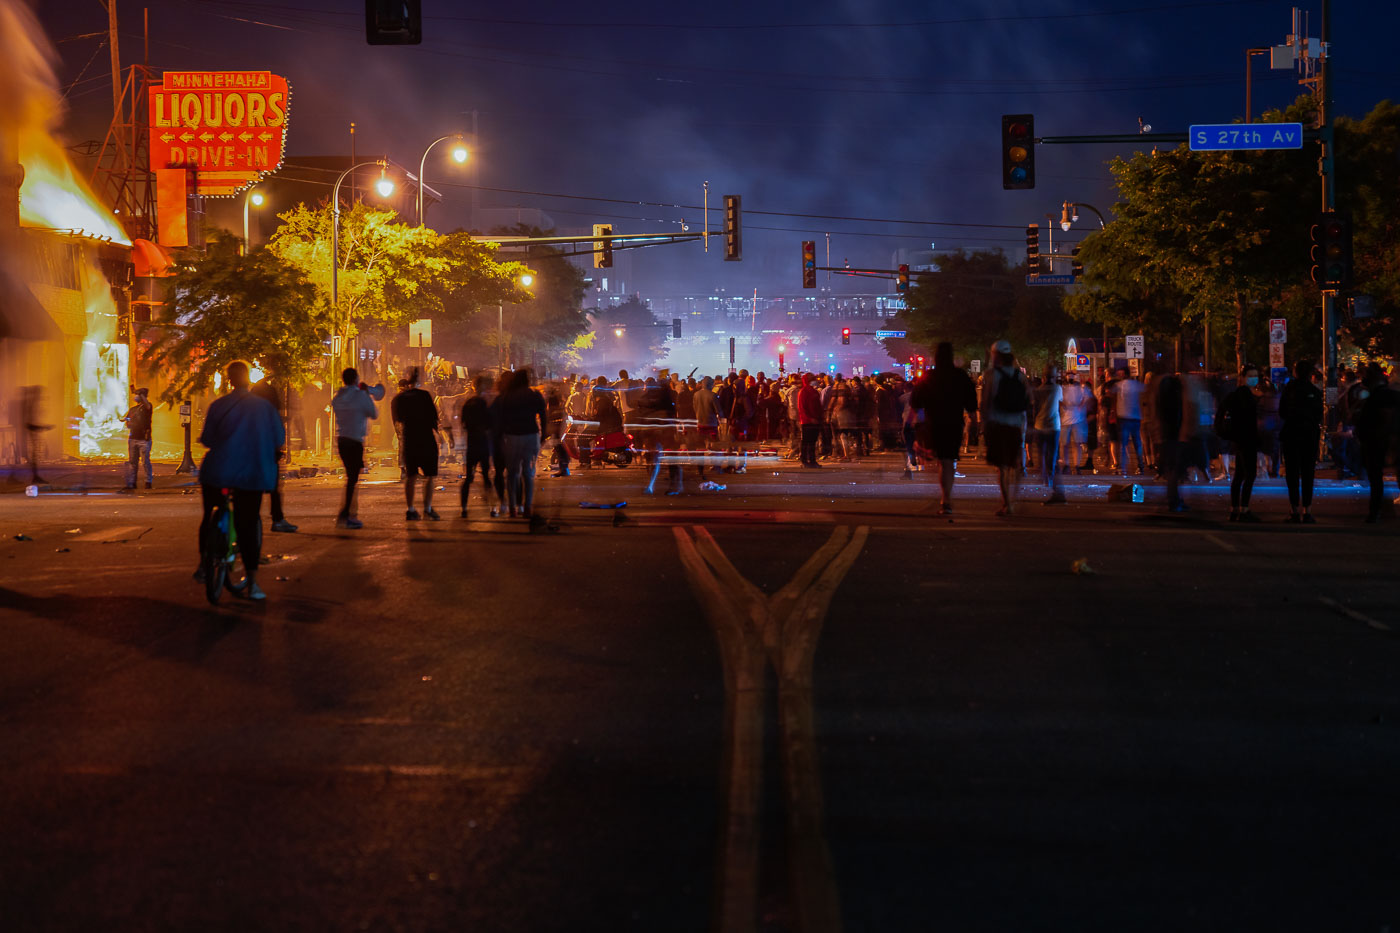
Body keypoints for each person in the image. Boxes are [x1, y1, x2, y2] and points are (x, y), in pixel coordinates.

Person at [194, 360, 284, 601]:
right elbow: (278, 438)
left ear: (229, 380)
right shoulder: (265, 408)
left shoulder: (219, 405)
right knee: (247, 524)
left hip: (217, 471)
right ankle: (253, 583)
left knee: (209, 515)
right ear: (248, 379)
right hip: (250, 474)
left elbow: (208, 440)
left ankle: (204, 565)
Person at [911, 342, 977, 514]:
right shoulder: (960, 376)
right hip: (954, 423)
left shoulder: (928, 376)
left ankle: (942, 490)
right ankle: (946, 498)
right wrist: (974, 419)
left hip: (934, 423)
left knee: (939, 459)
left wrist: (911, 421)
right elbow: (971, 402)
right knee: (948, 461)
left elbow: (916, 401)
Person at [980, 339, 1030, 516]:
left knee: (1001, 467)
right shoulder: (1020, 376)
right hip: (1015, 424)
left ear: (996, 355)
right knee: (1014, 464)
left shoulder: (990, 375)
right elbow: (1028, 401)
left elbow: (985, 402)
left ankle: (1006, 503)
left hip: (997, 424)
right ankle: (1014, 500)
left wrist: (983, 425)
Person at [392, 368, 444, 520]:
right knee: (429, 476)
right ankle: (427, 509)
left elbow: (398, 420)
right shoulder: (425, 396)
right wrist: (439, 436)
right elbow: (434, 419)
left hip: (410, 441)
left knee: (411, 476)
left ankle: (410, 509)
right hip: (426, 440)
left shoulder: (398, 399)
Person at [330, 367, 379, 529]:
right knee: (352, 479)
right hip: (355, 441)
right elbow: (374, 414)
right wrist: (366, 394)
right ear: (356, 379)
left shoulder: (338, 397)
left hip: (342, 440)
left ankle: (349, 513)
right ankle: (346, 515)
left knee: (350, 477)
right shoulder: (360, 396)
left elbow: (337, 403)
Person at [1278, 358, 1324, 524]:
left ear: (1295, 372)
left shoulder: (1289, 390)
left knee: (1292, 473)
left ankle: (1294, 510)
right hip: (1310, 436)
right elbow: (1319, 414)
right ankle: (1307, 510)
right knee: (1308, 473)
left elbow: (1282, 412)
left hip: (1292, 434)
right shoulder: (1315, 391)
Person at [498, 368, 547, 519]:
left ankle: (512, 507)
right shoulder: (534, 395)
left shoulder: (506, 397)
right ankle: (527, 507)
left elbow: (500, 419)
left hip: (511, 436)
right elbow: (544, 416)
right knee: (528, 473)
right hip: (531, 436)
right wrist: (543, 435)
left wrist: (500, 439)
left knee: (512, 474)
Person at [1217, 364, 1263, 522]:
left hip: (1238, 439)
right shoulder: (1246, 397)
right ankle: (1244, 509)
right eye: (1250, 375)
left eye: (1255, 375)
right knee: (1249, 474)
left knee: (1240, 475)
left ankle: (1235, 508)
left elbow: (1221, 411)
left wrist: (1224, 432)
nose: (1253, 378)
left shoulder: (1235, 395)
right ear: (1243, 378)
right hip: (1247, 439)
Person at [251, 379, 297, 533]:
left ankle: (251, 521)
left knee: (251, 490)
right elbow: (279, 436)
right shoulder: (269, 412)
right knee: (274, 488)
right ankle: (277, 519)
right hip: (268, 454)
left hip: (246, 457)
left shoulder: (243, 408)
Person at [1356, 363, 1399, 524]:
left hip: (1376, 442)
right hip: (1390, 441)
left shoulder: (1373, 398)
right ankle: (1379, 510)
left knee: (1375, 479)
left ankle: (1376, 511)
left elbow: (1364, 422)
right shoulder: (1392, 396)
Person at [458, 374, 500, 519]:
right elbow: (490, 424)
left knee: (469, 478)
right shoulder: (484, 404)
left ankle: (463, 508)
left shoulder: (468, 403)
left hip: (471, 444)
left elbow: (463, 424)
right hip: (483, 443)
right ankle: (493, 508)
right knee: (487, 477)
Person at [1155, 369, 1188, 512]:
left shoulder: (1162, 401)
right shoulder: (1176, 401)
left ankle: (1173, 498)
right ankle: (1174, 500)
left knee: (1171, 468)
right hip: (1174, 435)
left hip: (1166, 435)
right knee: (1174, 469)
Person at [1031, 365, 1066, 504]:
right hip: (1054, 426)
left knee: (1042, 454)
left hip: (1040, 425)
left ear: (1043, 377)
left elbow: (1034, 408)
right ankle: (1053, 481)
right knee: (1053, 456)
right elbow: (1061, 403)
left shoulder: (1038, 390)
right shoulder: (1057, 389)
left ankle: (1045, 476)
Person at [121, 387, 154, 490]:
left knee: (145, 462)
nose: (136, 397)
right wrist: (127, 421)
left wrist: (141, 394)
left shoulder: (147, 407)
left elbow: (147, 405)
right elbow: (127, 421)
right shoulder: (133, 409)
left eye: (139, 395)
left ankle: (148, 482)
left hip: (144, 440)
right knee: (132, 462)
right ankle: (132, 483)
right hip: (133, 438)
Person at [1114, 367, 1145, 475]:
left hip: (1123, 417)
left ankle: (1122, 468)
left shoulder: (1119, 385)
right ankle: (1141, 466)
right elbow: (1145, 392)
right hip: (1136, 417)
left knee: (1123, 444)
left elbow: (1110, 391)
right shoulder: (1136, 385)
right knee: (1137, 443)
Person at [796, 374, 823, 467]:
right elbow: (802, 408)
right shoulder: (803, 392)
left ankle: (812, 460)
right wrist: (809, 418)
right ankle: (804, 460)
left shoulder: (814, 391)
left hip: (816, 420)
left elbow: (818, 406)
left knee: (813, 442)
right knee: (806, 442)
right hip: (807, 421)